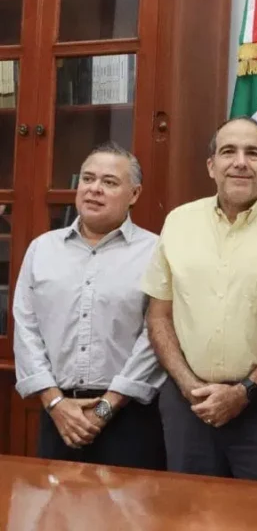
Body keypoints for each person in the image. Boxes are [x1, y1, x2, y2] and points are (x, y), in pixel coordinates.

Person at [143, 117, 257, 482]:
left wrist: (245, 391)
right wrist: (188, 385)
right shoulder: (179, 221)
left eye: (253, 153)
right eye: (228, 152)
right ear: (211, 165)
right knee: (190, 509)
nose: (240, 162)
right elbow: (159, 316)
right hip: (189, 406)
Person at [13, 142, 166, 470]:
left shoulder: (156, 252)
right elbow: (26, 328)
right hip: (57, 412)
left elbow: (157, 334)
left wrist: (107, 406)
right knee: (56, 503)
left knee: (128, 504)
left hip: (130, 416)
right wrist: (55, 402)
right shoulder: (42, 249)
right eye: (87, 178)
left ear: (134, 194)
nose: (94, 189)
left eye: (109, 182)